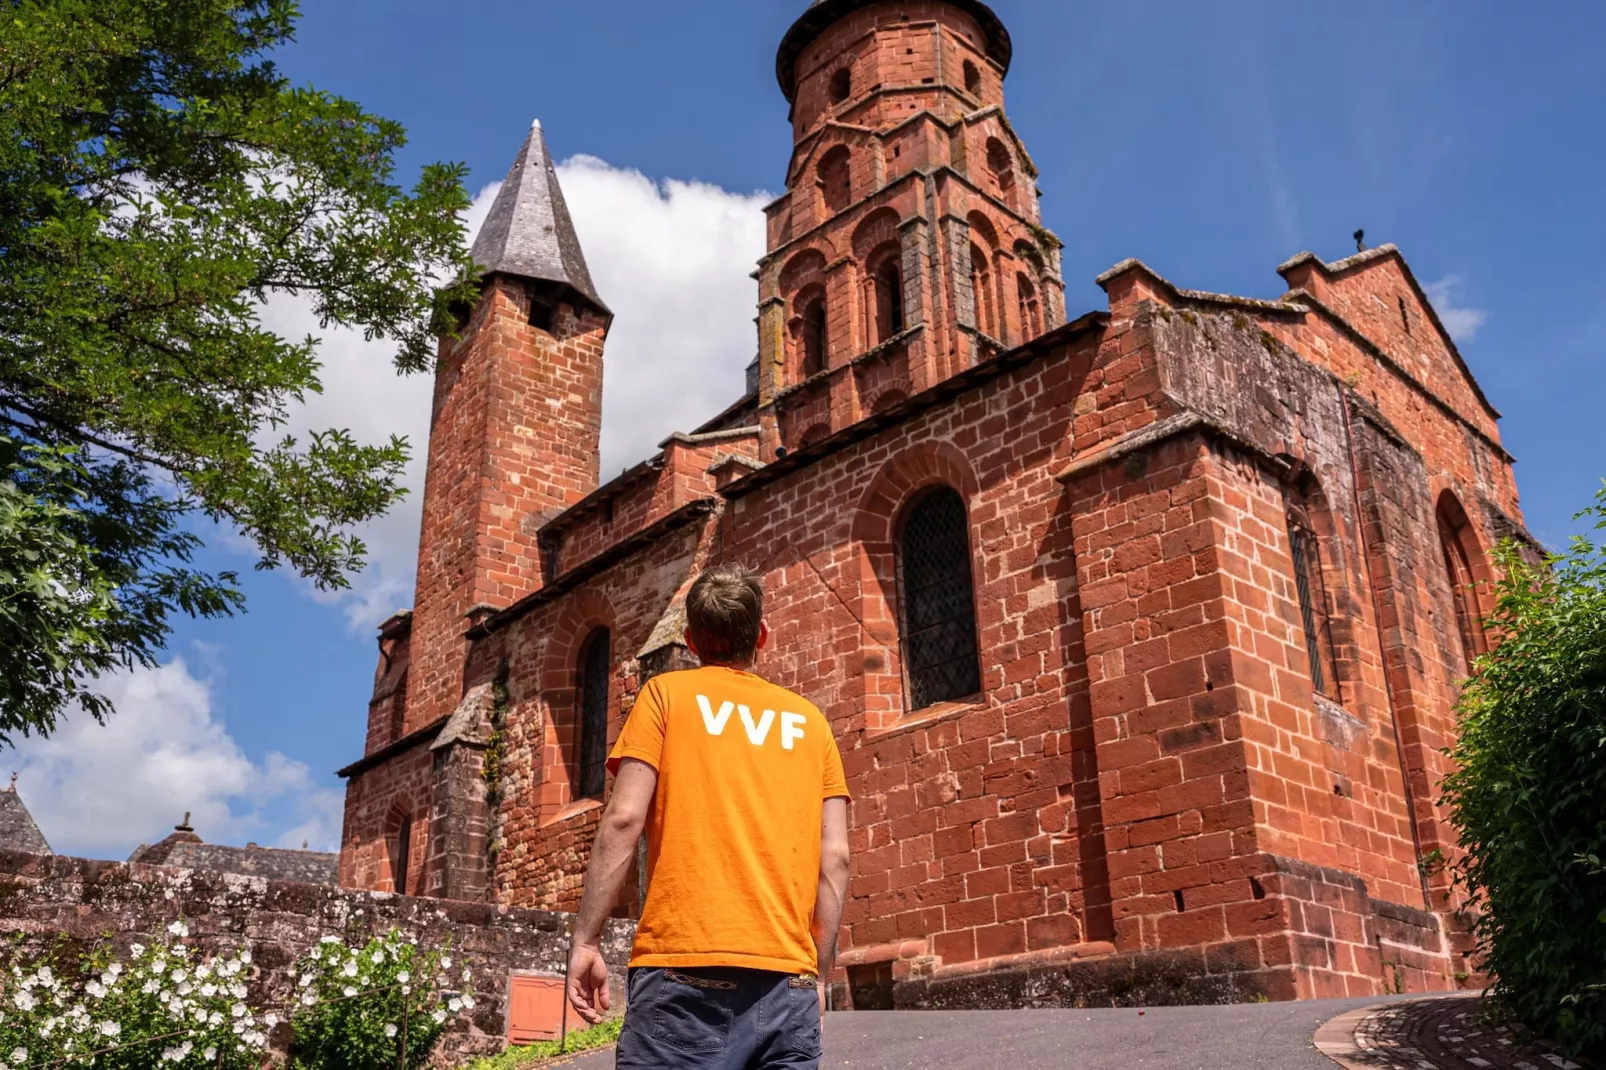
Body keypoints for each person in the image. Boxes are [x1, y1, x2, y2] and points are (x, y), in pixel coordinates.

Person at [566, 563, 853, 1069]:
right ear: (761, 635)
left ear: (692, 640)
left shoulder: (665, 696)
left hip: (683, 974)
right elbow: (836, 857)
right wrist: (819, 974)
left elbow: (623, 820)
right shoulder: (811, 723)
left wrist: (587, 939)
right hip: (788, 980)